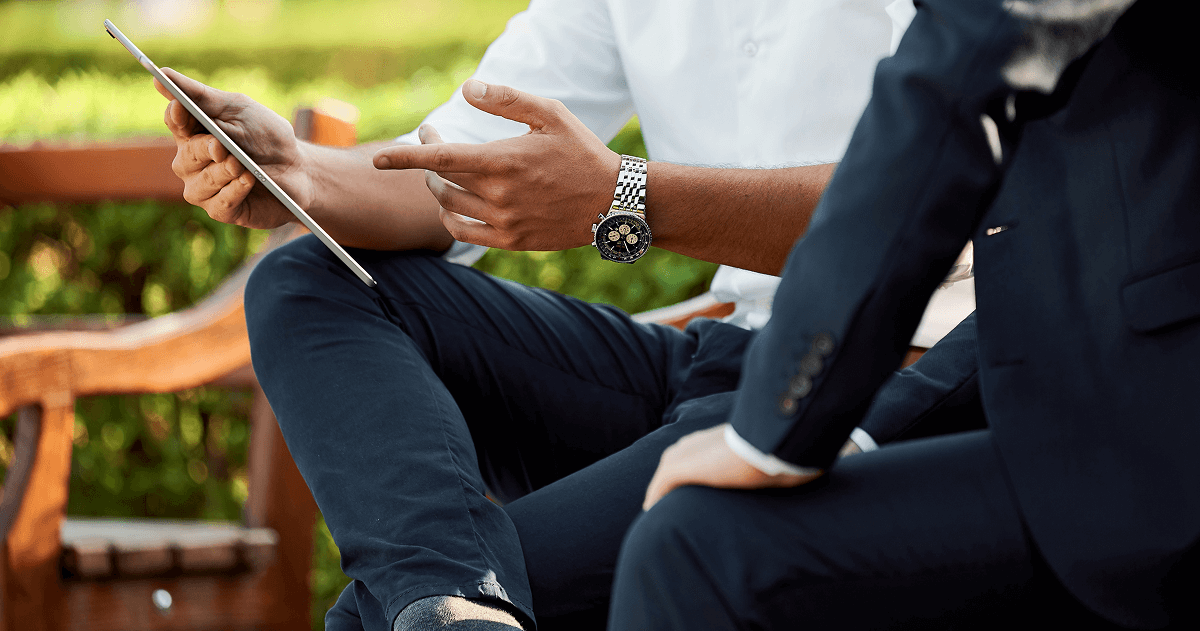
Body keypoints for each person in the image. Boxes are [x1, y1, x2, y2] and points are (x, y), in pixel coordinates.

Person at [157, 1, 976, 629]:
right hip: (719, 353)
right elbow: (453, 167)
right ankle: (451, 596)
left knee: (372, 616)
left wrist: (627, 198)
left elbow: (949, 194)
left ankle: (444, 600)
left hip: (888, 369)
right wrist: (299, 173)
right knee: (307, 282)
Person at [597, 0, 1200, 628]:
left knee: (695, 547)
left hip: (1148, 434)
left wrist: (776, 428)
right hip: (1040, 397)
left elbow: (962, 75)